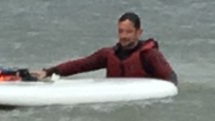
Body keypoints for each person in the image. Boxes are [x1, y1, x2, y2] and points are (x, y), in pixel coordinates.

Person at [38, 11, 178, 84]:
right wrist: (49, 72)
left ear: (138, 32)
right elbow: (80, 65)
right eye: (121, 31)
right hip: (114, 105)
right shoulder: (108, 54)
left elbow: (171, 78)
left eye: (128, 32)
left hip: (142, 105)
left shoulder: (150, 55)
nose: (123, 36)